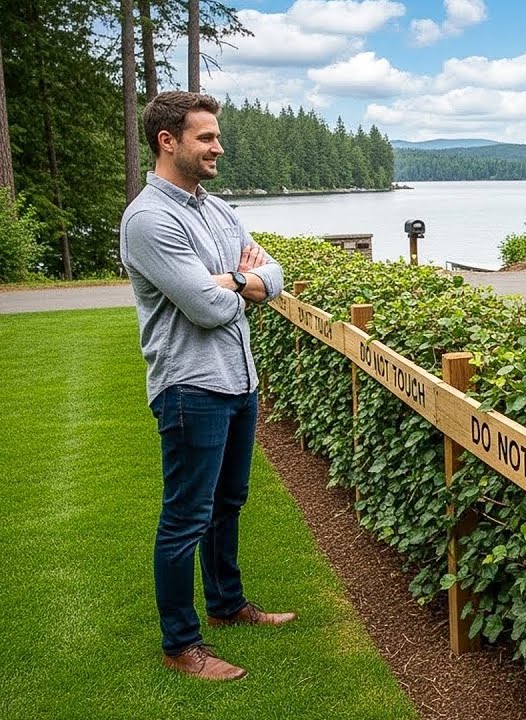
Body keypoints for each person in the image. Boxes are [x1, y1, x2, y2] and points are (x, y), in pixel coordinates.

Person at [120, 91, 293, 681]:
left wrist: (239, 278)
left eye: (217, 136)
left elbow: (276, 276)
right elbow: (205, 308)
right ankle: (181, 645)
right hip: (191, 386)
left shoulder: (216, 209)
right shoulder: (149, 218)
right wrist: (242, 284)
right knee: (186, 517)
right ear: (168, 141)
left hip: (238, 381)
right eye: (207, 137)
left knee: (229, 502)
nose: (219, 146)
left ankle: (226, 606)